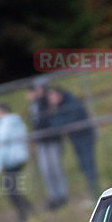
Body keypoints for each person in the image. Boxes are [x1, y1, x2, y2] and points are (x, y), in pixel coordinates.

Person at [45, 87, 100, 198]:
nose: (50, 100)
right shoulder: (59, 107)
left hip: (85, 137)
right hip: (75, 139)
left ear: (59, 95)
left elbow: (68, 122)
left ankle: (95, 192)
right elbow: (55, 125)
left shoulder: (71, 103)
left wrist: (56, 114)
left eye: (52, 96)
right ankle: (93, 192)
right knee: (83, 166)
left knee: (88, 165)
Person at [27, 78, 68, 210]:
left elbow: (49, 120)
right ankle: (53, 196)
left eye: (38, 88)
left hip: (52, 140)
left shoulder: (48, 101)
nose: (35, 91)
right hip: (41, 141)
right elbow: (35, 123)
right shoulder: (35, 104)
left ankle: (62, 195)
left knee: (55, 167)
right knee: (46, 170)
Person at [0, 103, 33, 222]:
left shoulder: (3, 125)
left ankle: (23, 212)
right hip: (20, 157)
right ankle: (27, 207)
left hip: (10, 160)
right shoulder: (17, 121)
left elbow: (2, 145)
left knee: (10, 188)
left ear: (1, 112)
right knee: (13, 187)